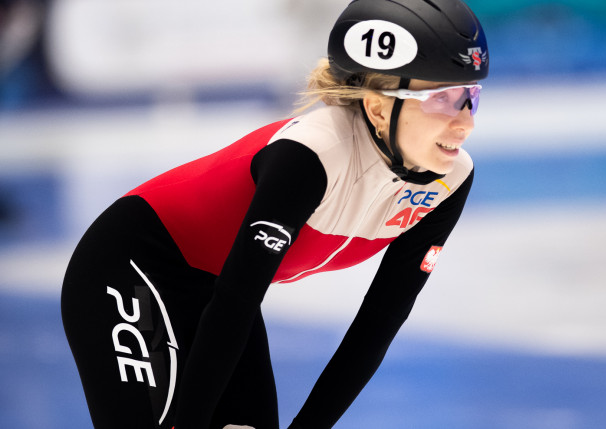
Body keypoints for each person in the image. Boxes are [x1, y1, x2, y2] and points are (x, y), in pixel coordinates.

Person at [60, 0, 489, 428]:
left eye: (470, 96)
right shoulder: (311, 157)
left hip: (217, 288)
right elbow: (237, 300)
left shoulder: (449, 180)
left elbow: (381, 318)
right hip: (132, 265)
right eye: (442, 99)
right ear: (378, 107)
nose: (465, 124)